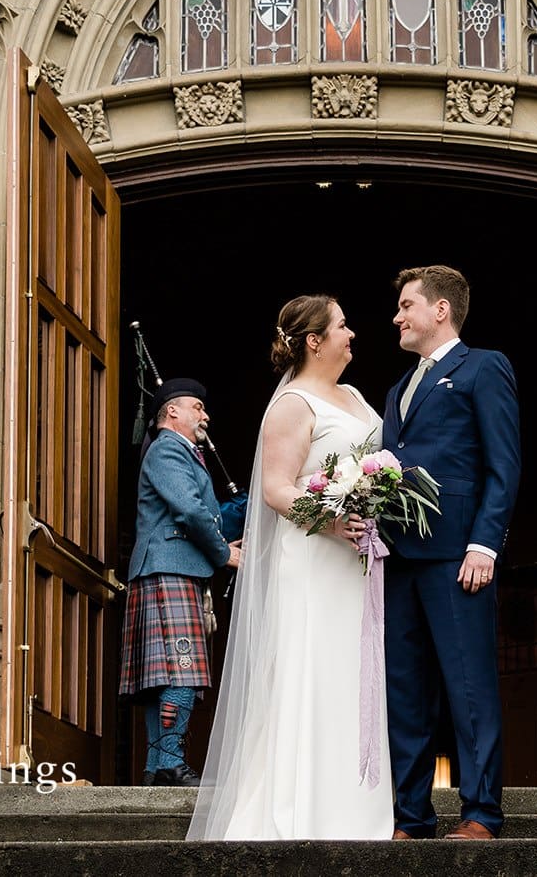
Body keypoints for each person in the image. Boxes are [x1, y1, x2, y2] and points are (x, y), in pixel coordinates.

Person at [187, 295, 394, 840]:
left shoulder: (353, 395)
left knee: (355, 674)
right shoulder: (292, 405)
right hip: (311, 558)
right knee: (312, 669)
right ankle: (298, 809)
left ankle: (355, 809)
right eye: (343, 325)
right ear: (314, 341)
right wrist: (330, 522)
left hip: (356, 559)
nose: (353, 332)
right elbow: (277, 488)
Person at [381, 265, 521, 840]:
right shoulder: (396, 389)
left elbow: (503, 464)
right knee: (405, 691)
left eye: (407, 305)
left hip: (458, 555)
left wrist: (484, 543)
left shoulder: (484, 366)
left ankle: (481, 813)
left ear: (440, 310)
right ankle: (410, 817)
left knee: (468, 687)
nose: (397, 316)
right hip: (397, 560)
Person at [119, 377, 243, 787]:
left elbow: (205, 513)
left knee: (168, 676)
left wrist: (247, 511)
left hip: (172, 569)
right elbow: (190, 512)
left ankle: (158, 768)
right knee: (182, 672)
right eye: (198, 407)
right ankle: (170, 762)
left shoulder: (182, 454)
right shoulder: (169, 448)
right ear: (172, 411)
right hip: (167, 569)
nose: (205, 415)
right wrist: (224, 554)